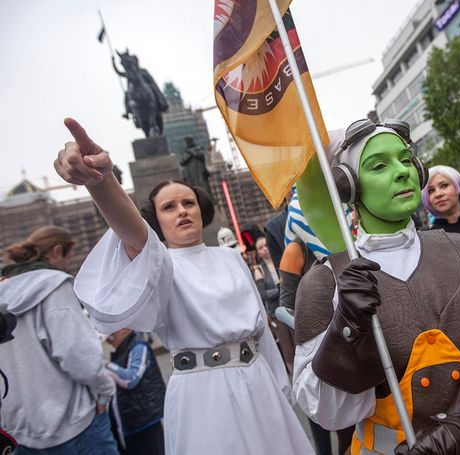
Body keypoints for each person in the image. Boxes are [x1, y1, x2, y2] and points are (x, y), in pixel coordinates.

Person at [53, 118, 315, 455]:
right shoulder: (159, 263)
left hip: (259, 383)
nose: (181, 211)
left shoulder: (230, 257)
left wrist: (281, 385)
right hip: (202, 395)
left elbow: (262, 331)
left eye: (188, 202)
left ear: (201, 209)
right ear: (156, 219)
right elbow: (133, 231)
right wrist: (102, 182)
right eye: (168, 207)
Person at [293, 119, 460, 454]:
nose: (401, 171)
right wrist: (347, 331)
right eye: (379, 165)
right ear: (349, 187)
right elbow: (327, 411)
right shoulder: (325, 282)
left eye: (405, 159)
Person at [0, 226, 118, 454]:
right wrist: (105, 390)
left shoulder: (3, 291)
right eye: (68, 258)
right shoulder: (56, 286)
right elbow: (79, 356)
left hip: (18, 430)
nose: (68, 265)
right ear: (57, 252)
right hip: (74, 424)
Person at [106, 328, 165, 455]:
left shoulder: (139, 346)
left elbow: (131, 379)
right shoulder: (120, 351)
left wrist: (105, 365)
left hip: (145, 423)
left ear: (124, 329)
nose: (108, 336)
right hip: (129, 424)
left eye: (110, 330)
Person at [252, 237, 280, 317]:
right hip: (275, 313)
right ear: (258, 253)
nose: (264, 249)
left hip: (290, 306)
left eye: (266, 245)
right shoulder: (258, 270)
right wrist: (280, 289)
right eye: (260, 248)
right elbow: (263, 295)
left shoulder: (280, 261)